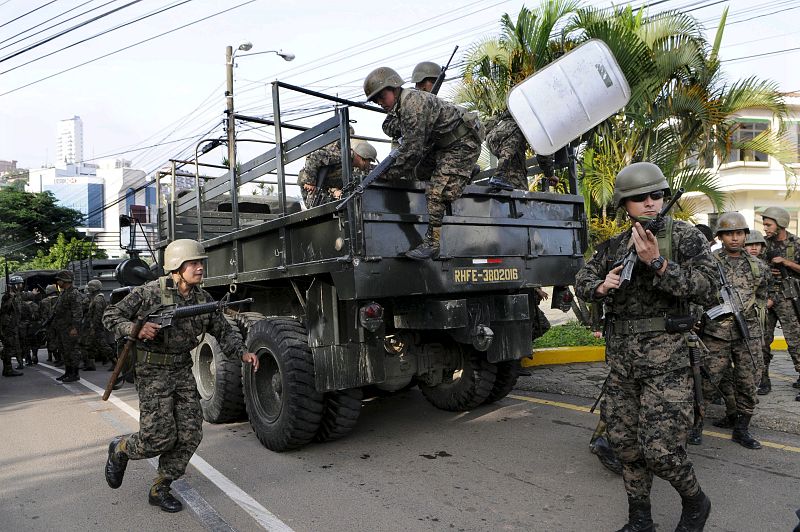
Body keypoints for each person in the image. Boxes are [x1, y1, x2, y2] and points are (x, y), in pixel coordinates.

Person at [575, 162, 716, 532]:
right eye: (640, 198)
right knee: (624, 445)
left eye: (656, 195)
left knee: (661, 452)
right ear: (625, 204)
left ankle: (696, 502)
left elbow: (710, 288)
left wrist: (659, 264)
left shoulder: (684, 237)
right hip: (623, 366)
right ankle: (640, 520)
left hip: (668, 364)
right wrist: (600, 286)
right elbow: (583, 278)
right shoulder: (615, 246)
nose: (651, 202)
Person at [102, 239, 259, 513]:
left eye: (201, 263)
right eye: (194, 263)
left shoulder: (202, 299)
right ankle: (121, 449)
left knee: (190, 434)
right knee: (158, 438)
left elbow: (222, 330)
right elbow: (110, 315)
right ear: (176, 266)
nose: (200, 268)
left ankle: (160, 487)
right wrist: (135, 329)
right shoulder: (149, 293)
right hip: (152, 371)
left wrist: (243, 353)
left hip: (182, 369)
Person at [364, 66, 482, 260]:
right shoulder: (402, 106)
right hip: (443, 144)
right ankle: (464, 172)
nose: (380, 103)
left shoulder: (412, 104)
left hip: (462, 143)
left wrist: (387, 174)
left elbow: (412, 151)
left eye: (382, 97)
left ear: (394, 88)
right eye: (376, 100)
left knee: (436, 192)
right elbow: (403, 143)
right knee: (419, 173)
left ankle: (432, 244)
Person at [689, 212, 768, 449]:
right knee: (706, 382)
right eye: (729, 234)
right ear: (720, 237)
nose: (735, 238)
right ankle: (696, 426)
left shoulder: (757, 266)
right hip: (716, 333)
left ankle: (741, 429)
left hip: (747, 333)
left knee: (748, 382)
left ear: (745, 235)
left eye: (739, 233)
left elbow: (763, 294)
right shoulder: (709, 263)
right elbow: (697, 292)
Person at [760, 206, 800, 399]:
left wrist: (787, 263)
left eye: (768, 224)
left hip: (789, 299)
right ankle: (763, 380)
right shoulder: (761, 244)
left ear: (780, 224)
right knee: (762, 341)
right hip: (767, 299)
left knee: (795, 341)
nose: (765, 228)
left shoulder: (796, 243)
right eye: (764, 224)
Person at [297, 138, 377, 207]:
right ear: (362, 158)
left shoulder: (354, 167)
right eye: (369, 161)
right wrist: (310, 182)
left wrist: (335, 191)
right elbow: (315, 157)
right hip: (311, 183)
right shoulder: (343, 156)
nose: (368, 165)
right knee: (314, 208)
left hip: (324, 187)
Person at [51, 270, 85, 383]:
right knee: (65, 351)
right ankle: (68, 372)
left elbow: (77, 313)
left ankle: (75, 373)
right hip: (62, 328)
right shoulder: (64, 292)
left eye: (59, 280)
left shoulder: (74, 293)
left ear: (65, 280)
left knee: (72, 351)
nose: (58, 282)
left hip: (70, 328)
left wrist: (75, 328)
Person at [84, 280, 113, 369]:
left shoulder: (98, 299)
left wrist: (94, 327)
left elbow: (98, 315)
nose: (89, 289)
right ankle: (90, 364)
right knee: (89, 345)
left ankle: (115, 361)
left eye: (90, 287)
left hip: (97, 327)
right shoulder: (96, 298)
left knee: (103, 346)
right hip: (94, 326)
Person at [0, 275, 24, 377]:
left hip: (14, 325)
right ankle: (8, 369)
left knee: (11, 347)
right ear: (15, 285)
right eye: (19, 284)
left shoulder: (17, 295)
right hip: (8, 326)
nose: (21, 286)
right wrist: (10, 297)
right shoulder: (7, 296)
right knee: (8, 348)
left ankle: (8, 369)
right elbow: (4, 309)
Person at [39, 284, 61, 365]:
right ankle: (60, 358)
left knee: (51, 341)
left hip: (49, 325)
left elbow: (41, 314)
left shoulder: (43, 301)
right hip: (60, 323)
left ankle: (57, 357)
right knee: (60, 341)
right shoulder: (60, 299)